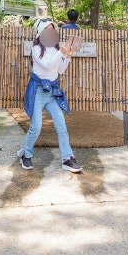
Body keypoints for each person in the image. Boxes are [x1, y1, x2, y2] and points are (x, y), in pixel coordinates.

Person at [17, 18, 82, 173]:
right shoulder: (36, 50)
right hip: (38, 91)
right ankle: (25, 154)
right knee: (36, 127)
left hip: (52, 92)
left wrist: (68, 56)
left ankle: (67, 158)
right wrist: (61, 52)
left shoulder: (55, 49)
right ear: (41, 33)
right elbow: (46, 65)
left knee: (61, 125)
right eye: (47, 30)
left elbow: (60, 70)